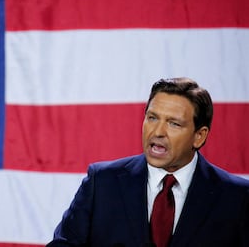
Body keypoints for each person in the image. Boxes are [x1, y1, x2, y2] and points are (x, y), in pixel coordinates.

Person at [46, 77, 249, 247]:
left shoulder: (237, 197)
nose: (158, 132)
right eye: (152, 118)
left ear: (199, 136)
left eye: (173, 123)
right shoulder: (102, 182)